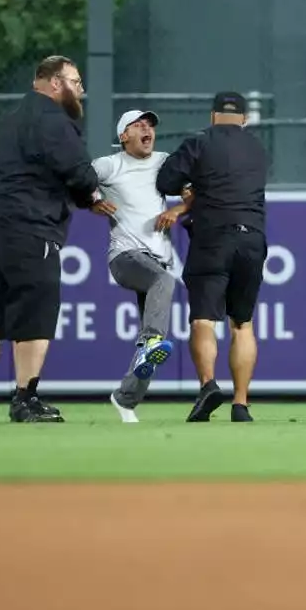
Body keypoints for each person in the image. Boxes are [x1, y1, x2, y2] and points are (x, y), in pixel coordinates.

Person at [0, 55, 100, 423]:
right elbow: (81, 173)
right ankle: (25, 397)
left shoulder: (13, 119)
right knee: (37, 314)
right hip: (33, 227)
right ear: (55, 84)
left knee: (12, 312)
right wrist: (90, 196)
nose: (81, 91)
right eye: (76, 82)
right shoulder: (53, 119)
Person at [156, 92, 269, 423]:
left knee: (204, 319)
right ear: (245, 119)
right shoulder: (259, 149)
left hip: (213, 238)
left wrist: (190, 191)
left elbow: (166, 180)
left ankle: (208, 386)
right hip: (252, 239)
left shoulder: (199, 142)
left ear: (212, 115)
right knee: (243, 324)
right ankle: (241, 404)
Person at [90, 110, 190, 423]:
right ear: (123, 136)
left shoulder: (164, 161)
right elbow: (78, 181)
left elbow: (194, 189)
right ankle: (151, 341)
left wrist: (179, 209)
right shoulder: (110, 164)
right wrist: (92, 198)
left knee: (155, 335)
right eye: (138, 125)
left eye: (150, 125)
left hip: (157, 256)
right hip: (125, 255)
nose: (147, 128)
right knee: (163, 288)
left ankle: (125, 398)